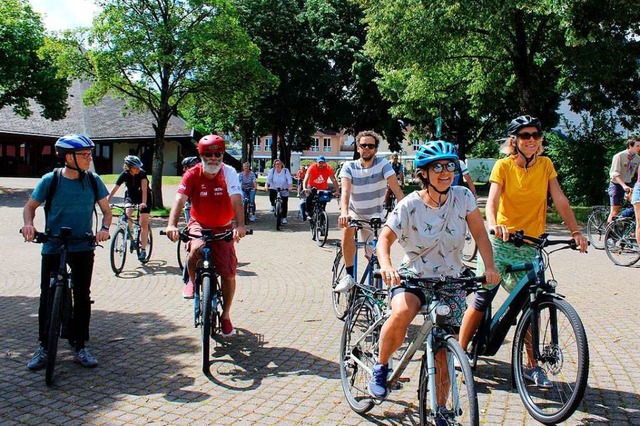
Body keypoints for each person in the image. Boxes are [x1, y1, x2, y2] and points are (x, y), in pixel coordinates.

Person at [458, 115, 588, 388]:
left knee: (532, 305)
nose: (531, 140)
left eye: (535, 136)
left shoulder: (546, 165)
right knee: (482, 299)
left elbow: (560, 199)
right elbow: (491, 202)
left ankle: (531, 365)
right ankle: (458, 352)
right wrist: (495, 226)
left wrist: (575, 231)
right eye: (525, 136)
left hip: (530, 246)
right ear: (514, 141)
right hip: (500, 246)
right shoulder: (503, 166)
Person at [370, 140, 500, 404]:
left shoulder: (463, 197)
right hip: (413, 277)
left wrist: (489, 266)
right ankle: (381, 366)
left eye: (449, 166)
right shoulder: (409, 205)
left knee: (445, 351)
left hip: (450, 281)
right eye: (437, 167)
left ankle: (441, 410)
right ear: (424, 173)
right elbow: (383, 240)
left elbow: (480, 235)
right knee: (403, 311)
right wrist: (386, 265)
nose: (445, 172)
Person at [21, 134, 112, 370]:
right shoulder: (50, 180)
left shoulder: (93, 181)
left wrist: (103, 228)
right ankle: (43, 346)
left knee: (82, 295)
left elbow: (107, 211)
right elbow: (30, 207)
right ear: (67, 157)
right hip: (53, 244)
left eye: (89, 154)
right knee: (46, 296)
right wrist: (29, 225)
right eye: (84, 155)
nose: (88, 159)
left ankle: (80, 345)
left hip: (83, 244)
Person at [164, 134, 246, 337]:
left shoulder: (229, 173)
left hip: (224, 225)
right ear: (200, 155)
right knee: (196, 249)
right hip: (198, 223)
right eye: (208, 154)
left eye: (217, 154)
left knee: (228, 273)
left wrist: (240, 226)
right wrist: (171, 225)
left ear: (222, 154)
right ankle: (191, 280)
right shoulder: (192, 174)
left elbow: (236, 199)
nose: (213, 158)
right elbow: (179, 201)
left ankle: (225, 316)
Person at [335, 131, 404, 292]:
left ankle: (377, 291)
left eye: (371, 146)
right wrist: (344, 212)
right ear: (358, 148)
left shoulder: (383, 165)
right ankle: (349, 276)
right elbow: (345, 193)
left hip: (375, 216)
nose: (367, 149)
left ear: (375, 149)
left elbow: (397, 190)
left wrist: (407, 211)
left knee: (374, 256)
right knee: (348, 228)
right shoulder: (349, 166)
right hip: (354, 212)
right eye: (363, 145)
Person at [107, 155, 152, 261]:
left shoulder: (142, 174)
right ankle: (129, 233)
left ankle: (144, 250)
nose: (137, 169)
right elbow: (115, 188)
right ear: (128, 167)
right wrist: (106, 201)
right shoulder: (124, 175)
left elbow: (145, 190)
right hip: (131, 196)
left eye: (138, 167)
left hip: (144, 198)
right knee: (127, 213)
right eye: (135, 167)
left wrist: (144, 203)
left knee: (143, 223)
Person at [607, 137, 640, 223]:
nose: (639, 148)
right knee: (615, 211)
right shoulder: (619, 156)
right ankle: (609, 233)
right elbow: (615, 173)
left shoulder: (637, 158)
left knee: (635, 207)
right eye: (637, 146)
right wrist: (623, 185)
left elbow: (638, 172)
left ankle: (624, 227)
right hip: (616, 184)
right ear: (630, 146)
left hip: (628, 183)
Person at [265, 159, 293, 224]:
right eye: (276, 164)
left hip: (284, 188)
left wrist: (290, 187)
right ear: (274, 165)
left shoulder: (285, 171)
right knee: (272, 195)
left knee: (284, 203)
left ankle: (284, 218)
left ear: (281, 165)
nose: (277, 165)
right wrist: (266, 186)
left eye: (279, 164)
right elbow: (268, 179)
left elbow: (289, 179)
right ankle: (272, 205)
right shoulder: (272, 171)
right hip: (274, 188)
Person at [181, 156, 200, 223]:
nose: (183, 169)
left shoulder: (203, 176)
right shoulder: (186, 177)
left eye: (185, 167)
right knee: (190, 227)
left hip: (201, 206)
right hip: (189, 204)